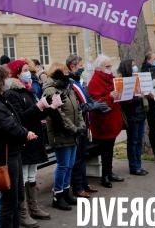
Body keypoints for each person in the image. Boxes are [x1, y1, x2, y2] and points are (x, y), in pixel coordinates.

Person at [0, 66, 38, 228]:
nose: (9, 80)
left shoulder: (0, 99)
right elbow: (10, 127)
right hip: (6, 155)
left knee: (17, 198)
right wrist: (25, 133)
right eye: (5, 78)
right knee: (9, 200)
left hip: (12, 152)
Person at [6, 60, 56, 227]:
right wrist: (38, 106)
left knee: (32, 175)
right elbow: (20, 117)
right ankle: (23, 213)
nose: (29, 73)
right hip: (24, 139)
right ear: (17, 73)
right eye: (25, 70)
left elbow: (37, 113)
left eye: (29, 70)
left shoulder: (28, 89)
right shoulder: (13, 93)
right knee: (23, 177)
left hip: (35, 137)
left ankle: (33, 208)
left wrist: (50, 107)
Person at [66, 54, 110, 199]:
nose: (83, 68)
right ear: (72, 67)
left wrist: (98, 106)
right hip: (76, 125)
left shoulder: (80, 81)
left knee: (83, 155)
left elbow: (87, 99)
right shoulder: (69, 84)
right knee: (78, 157)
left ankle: (84, 183)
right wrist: (94, 105)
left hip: (85, 123)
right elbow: (75, 106)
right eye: (80, 66)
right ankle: (77, 187)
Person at [43, 63, 84, 210]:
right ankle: (58, 195)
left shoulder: (67, 87)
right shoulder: (50, 90)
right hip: (61, 133)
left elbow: (77, 107)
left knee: (70, 164)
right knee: (63, 165)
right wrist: (74, 129)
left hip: (73, 132)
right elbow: (58, 114)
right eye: (65, 72)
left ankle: (66, 192)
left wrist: (81, 125)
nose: (68, 74)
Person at [87, 55, 124, 188]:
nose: (110, 68)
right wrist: (109, 96)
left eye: (110, 66)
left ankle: (109, 172)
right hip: (102, 122)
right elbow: (94, 102)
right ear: (99, 68)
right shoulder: (94, 81)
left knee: (110, 149)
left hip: (112, 119)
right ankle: (104, 176)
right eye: (107, 66)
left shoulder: (111, 79)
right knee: (105, 150)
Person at [117, 59, 148, 176]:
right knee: (133, 142)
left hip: (140, 114)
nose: (135, 67)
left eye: (135, 65)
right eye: (133, 66)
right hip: (132, 116)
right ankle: (134, 167)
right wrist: (138, 98)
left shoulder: (138, 79)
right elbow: (124, 100)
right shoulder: (123, 82)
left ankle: (138, 165)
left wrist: (147, 95)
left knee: (138, 141)